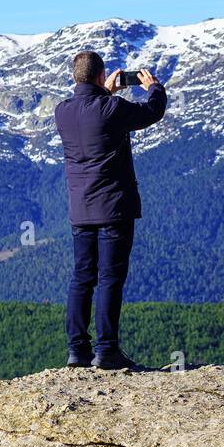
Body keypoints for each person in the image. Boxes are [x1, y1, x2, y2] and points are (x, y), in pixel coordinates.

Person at [54, 50, 167, 369]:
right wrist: (155, 87)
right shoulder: (112, 107)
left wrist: (105, 92)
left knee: (82, 277)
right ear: (102, 76)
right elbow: (151, 113)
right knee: (110, 278)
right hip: (114, 208)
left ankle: (77, 350)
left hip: (80, 209)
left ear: (76, 77)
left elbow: (90, 112)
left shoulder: (62, 112)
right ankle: (106, 350)